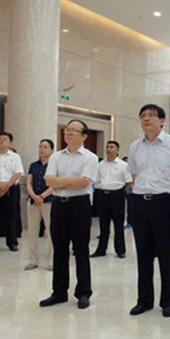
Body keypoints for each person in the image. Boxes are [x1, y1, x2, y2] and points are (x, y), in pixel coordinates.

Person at [127, 104, 170, 318]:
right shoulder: (135, 146)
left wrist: (169, 198)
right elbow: (134, 175)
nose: (147, 119)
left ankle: (169, 301)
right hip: (140, 203)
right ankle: (144, 300)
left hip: (165, 203)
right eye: (143, 116)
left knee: (167, 254)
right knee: (143, 254)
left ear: (162, 121)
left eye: (152, 115)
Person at [40, 120, 99, 309]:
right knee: (59, 249)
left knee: (81, 249)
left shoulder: (90, 158)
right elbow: (49, 180)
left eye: (74, 130)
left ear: (84, 136)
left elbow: (83, 184)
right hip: (59, 205)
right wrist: (71, 180)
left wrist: (60, 181)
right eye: (67, 130)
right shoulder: (56, 156)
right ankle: (59, 292)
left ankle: (83, 292)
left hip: (79, 205)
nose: (69, 133)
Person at [91, 141, 132, 259]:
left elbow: (128, 182)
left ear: (117, 150)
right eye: (107, 147)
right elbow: (96, 180)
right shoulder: (100, 165)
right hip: (103, 195)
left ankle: (120, 250)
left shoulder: (123, 165)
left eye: (112, 147)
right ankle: (101, 250)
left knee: (118, 224)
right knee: (103, 224)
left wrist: (119, 191)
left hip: (117, 195)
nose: (109, 149)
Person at [25, 139, 55, 271]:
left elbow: (55, 184)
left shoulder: (54, 165)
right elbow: (28, 183)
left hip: (49, 201)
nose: (42, 149)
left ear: (52, 150)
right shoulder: (33, 165)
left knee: (51, 231)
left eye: (45, 147)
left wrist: (42, 196)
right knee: (32, 231)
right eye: (40, 146)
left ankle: (51, 261)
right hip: (33, 201)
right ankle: (33, 260)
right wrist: (34, 196)